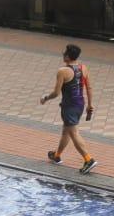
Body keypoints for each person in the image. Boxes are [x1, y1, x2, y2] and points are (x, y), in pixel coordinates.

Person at [40, 43, 97, 174]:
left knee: (74, 133)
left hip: (69, 107)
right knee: (66, 131)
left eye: (64, 53)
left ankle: (89, 159)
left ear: (67, 56)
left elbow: (56, 93)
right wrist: (90, 104)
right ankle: (57, 155)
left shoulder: (63, 71)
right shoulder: (84, 68)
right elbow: (89, 87)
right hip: (80, 105)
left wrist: (45, 98)